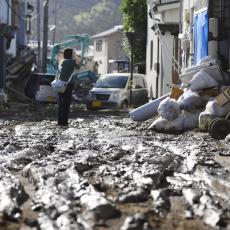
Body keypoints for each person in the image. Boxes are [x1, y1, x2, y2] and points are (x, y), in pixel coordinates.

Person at [57, 48, 81, 126]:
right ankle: (64, 122)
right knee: (66, 104)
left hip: (60, 84)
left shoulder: (61, 61)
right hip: (67, 85)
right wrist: (76, 56)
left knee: (61, 104)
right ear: (71, 54)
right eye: (73, 53)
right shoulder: (71, 61)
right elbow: (78, 66)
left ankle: (60, 121)